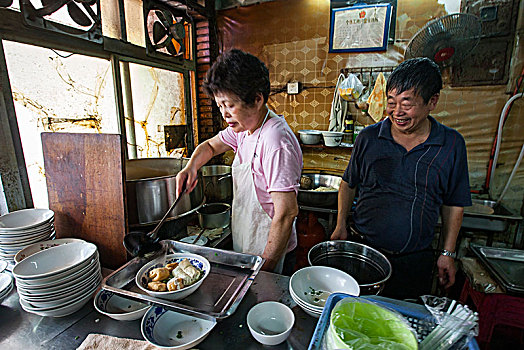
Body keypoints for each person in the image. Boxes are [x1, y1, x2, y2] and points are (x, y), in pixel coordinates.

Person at [331, 58, 471, 299]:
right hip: (364, 252)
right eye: (392, 102)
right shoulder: (369, 138)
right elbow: (348, 183)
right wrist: (341, 224)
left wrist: (448, 253)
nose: (397, 112)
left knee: (400, 326)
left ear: (432, 102)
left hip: (413, 261)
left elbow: (454, 203)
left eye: (407, 104)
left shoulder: (451, 145)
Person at [176, 49, 303, 274]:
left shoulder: (275, 140)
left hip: (272, 252)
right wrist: (191, 166)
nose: (224, 114)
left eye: (229, 105)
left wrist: (265, 269)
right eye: (219, 106)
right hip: (248, 242)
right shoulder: (243, 128)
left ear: (256, 99)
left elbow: (286, 214)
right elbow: (210, 146)